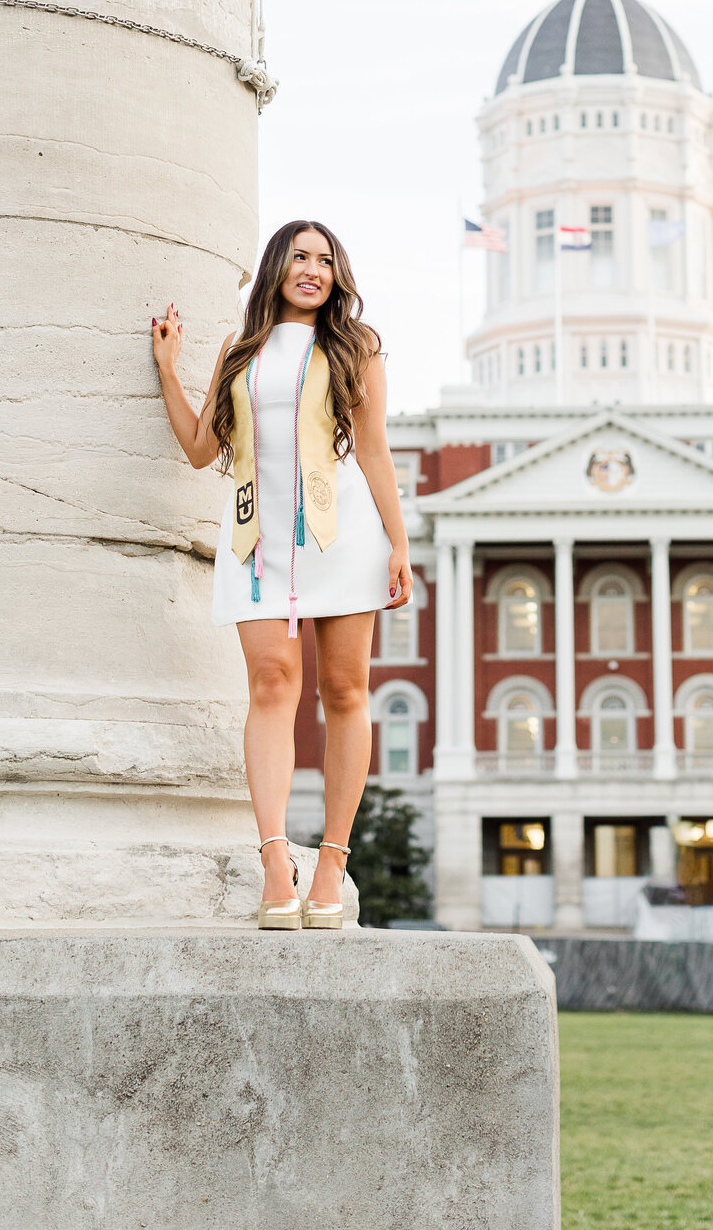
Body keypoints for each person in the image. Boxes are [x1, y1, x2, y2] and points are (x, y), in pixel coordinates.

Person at [151, 219, 412, 929]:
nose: (313, 269)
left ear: (337, 275)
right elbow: (203, 448)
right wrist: (170, 372)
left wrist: (398, 542)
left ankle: (331, 860)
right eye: (300, 256)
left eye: (325, 260)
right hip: (258, 543)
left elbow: (377, 453)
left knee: (345, 689)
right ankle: (274, 859)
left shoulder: (356, 348)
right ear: (277, 267)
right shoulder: (241, 353)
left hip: (344, 539)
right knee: (271, 685)